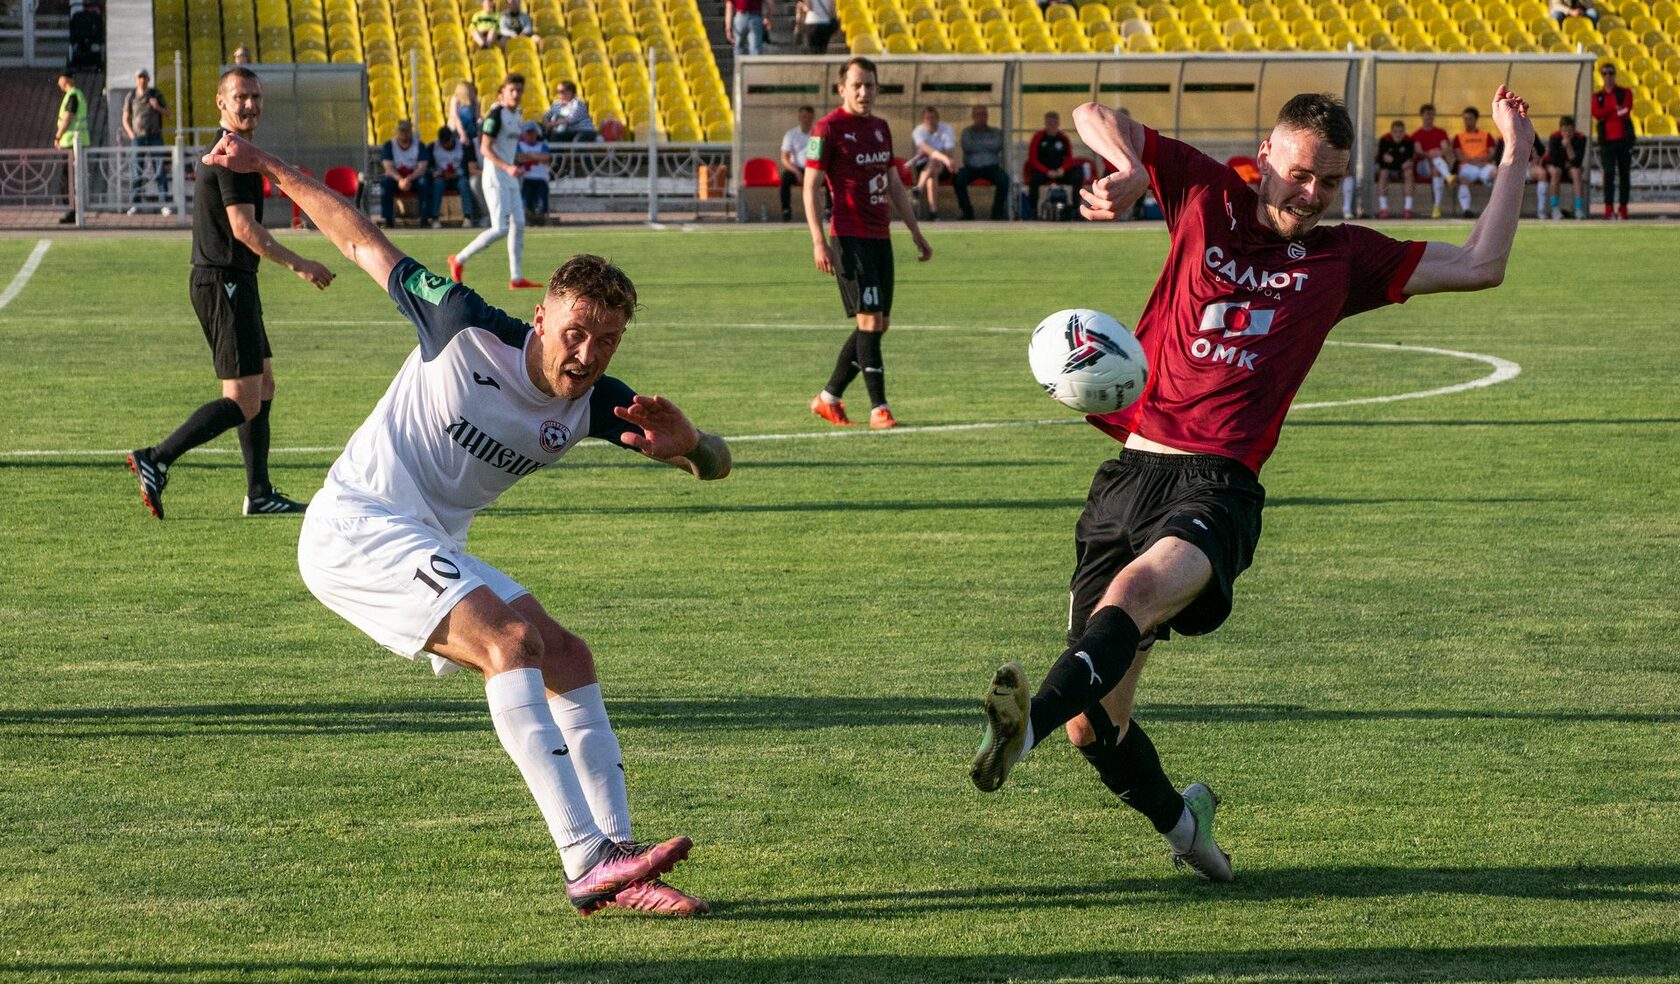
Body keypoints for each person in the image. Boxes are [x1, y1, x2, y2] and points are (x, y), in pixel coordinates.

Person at [969, 87, 1535, 885]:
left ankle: (1015, 738)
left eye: (1330, 183)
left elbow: (1483, 264)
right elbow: (1095, 110)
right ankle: (1188, 829)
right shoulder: (1206, 194)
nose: (1312, 195)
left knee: (1130, 598)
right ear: (1264, 155)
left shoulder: (1344, 258)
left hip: (1219, 488)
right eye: (1301, 174)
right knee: (1096, 732)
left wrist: (1515, 156)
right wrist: (1129, 167)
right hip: (1130, 471)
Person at [197, 130, 730, 917]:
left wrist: (692, 447)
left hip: (427, 542)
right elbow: (357, 239)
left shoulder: (594, 402)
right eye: (575, 331)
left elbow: (717, 463)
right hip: (355, 525)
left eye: (606, 339)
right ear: (542, 315)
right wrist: (267, 167)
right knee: (510, 645)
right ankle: (584, 859)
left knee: (568, 654)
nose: (585, 353)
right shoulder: (462, 323)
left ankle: (619, 859)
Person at [126, 67, 335, 520]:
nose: (250, 105)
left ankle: (259, 493)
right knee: (243, 398)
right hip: (224, 280)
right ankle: (156, 458)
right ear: (221, 103)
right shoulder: (231, 155)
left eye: (255, 97)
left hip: (232, 279)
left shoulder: (237, 151)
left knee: (263, 383)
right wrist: (301, 264)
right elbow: (244, 229)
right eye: (240, 97)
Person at [803, 56, 932, 431]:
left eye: (870, 85)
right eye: (856, 85)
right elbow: (810, 186)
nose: (864, 92)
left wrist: (915, 231)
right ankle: (880, 409)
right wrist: (817, 240)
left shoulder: (880, 127)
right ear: (842, 89)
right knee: (870, 321)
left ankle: (828, 398)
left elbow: (893, 182)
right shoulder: (826, 130)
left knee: (877, 324)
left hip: (880, 238)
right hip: (848, 237)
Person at [449, 73, 542, 289]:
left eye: (519, 90)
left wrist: (533, 158)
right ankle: (458, 259)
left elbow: (510, 152)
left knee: (518, 223)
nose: (517, 94)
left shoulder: (516, 114)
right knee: (500, 228)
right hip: (495, 177)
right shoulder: (495, 115)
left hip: (509, 176)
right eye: (512, 90)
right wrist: (508, 166)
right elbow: (485, 149)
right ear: (503, 92)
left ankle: (516, 278)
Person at [122, 68, 172, 215]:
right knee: (136, 170)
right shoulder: (131, 96)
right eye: (139, 78)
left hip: (155, 136)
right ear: (136, 80)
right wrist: (131, 134)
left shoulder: (155, 94)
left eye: (144, 77)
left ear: (148, 79)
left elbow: (168, 113)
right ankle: (135, 203)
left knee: (159, 168)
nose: (142, 80)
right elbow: (125, 118)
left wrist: (157, 107)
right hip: (138, 137)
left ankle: (164, 203)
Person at [1591, 63, 1635, 221]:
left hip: (1624, 140)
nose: (1608, 76)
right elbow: (1597, 113)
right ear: (1601, 76)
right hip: (1607, 141)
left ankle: (1623, 208)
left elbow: (1626, 111)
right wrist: (1614, 109)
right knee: (1608, 174)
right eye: (1605, 73)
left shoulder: (1625, 92)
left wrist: (1609, 112)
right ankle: (1608, 208)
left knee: (1625, 175)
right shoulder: (1598, 96)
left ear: (1615, 74)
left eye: (1611, 73)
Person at [954, 105, 1010, 221]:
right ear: (973, 116)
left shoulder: (995, 131)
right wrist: (987, 145)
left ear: (987, 116)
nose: (981, 117)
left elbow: (998, 145)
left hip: (991, 167)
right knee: (958, 179)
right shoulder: (967, 132)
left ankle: (997, 212)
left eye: (984, 114)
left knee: (1004, 179)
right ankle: (967, 212)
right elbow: (967, 146)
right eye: (978, 114)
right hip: (971, 168)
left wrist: (977, 144)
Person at [379, 118, 435, 228]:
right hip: (396, 177)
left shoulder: (419, 145)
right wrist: (400, 180)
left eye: (406, 131)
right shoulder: (389, 145)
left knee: (424, 182)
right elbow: (388, 168)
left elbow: (422, 168)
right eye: (401, 131)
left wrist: (408, 179)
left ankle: (425, 219)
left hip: (414, 177)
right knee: (385, 184)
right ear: (397, 132)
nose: (404, 134)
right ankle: (388, 220)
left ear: (411, 131)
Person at [1026, 111, 1082, 220]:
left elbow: (1069, 158)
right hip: (1044, 171)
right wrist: (1046, 171)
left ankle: (1076, 210)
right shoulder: (1038, 137)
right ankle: (1033, 212)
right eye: (1049, 122)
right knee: (1034, 178)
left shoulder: (1063, 138)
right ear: (1045, 123)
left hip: (1060, 171)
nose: (1052, 125)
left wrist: (1062, 169)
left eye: (1054, 122)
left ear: (1058, 123)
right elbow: (1032, 159)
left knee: (1077, 174)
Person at [54, 71, 90, 224]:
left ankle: (74, 211)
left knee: (67, 179)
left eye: (60, 78)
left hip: (72, 142)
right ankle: (75, 211)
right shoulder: (76, 95)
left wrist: (58, 136)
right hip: (77, 141)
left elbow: (68, 118)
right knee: (72, 178)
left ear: (67, 79)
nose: (58, 81)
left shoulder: (73, 95)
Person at [908, 106, 957, 220]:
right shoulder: (918, 131)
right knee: (933, 169)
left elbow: (949, 149)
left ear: (937, 118)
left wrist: (942, 160)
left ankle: (918, 188)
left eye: (933, 117)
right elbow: (925, 148)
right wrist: (942, 158)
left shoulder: (946, 128)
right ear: (923, 120)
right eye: (927, 118)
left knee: (934, 161)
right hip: (923, 166)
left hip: (944, 167)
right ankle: (933, 212)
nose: (930, 120)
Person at [1452, 106, 1497, 218]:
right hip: (1467, 165)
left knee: (1498, 173)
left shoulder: (1486, 135)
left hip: (1484, 164)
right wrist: (1471, 161)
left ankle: (1497, 208)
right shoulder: (1459, 137)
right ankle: (1466, 209)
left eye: (1470, 118)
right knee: (1463, 179)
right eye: (1465, 119)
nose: (1467, 121)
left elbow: (1492, 153)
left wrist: (1481, 160)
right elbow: (1458, 155)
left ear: (1476, 119)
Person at [1411, 103, 1452, 218]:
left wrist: (1437, 153)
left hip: (1436, 166)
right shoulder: (1416, 134)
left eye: (1432, 115)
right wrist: (1430, 154)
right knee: (1436, 160)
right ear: (1422, 116)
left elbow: (1444, 148)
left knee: (1436, 169)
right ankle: (1448, 176)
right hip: (1423, 165)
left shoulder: (1441, 132)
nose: (1429, 117)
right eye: (1427, 114)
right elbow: (1419, 152)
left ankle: (1436, 206)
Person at [429, 125, 476, 225]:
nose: (445, 145)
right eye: (443, 143)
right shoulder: (433, 147)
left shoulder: (462, 147)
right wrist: (438, 173)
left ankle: (467, 216)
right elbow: (429, 167)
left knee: (464, 184)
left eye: (447, 142)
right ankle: (435, 218)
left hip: (457, 177)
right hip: (441, 177)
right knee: (437, 185)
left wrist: (456, 173)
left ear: (452, 138)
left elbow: (466, 167)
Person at [1544, 115, 1587, 220]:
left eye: (1570, 131)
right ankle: (1555, 208)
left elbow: (1577, 162)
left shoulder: (1581, 138)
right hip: (1555, 165)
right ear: (1560, 130)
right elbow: (1554, 159)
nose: (1567, 134)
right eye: (1564, 131)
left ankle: (1578, 208)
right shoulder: (1554, 137)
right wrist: (1565, 161)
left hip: (1570, 166)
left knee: (1576, 172)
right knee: (1556, 172)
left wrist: (1568, 146)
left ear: (1574, 130)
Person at [778, 104, 815, 221]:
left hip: (814, 168)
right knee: (785, 179)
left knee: (830, 179)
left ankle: (828, 210)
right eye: (804, 117)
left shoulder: (818, 133)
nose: (806, 120)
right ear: (799, 117)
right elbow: (784, 158)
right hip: (796, 169)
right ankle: (786, 210)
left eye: (809, 117)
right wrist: (797, 172)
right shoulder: (791, 135)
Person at [1374, 118, 1415, 218]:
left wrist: (1393, 161)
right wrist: (1400, 163)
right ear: (1391, 132)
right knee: (1383, 173)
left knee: (1409, 173)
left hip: (1401, 171)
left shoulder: (1409, 141)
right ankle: (1383, 209)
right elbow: (1383, 160)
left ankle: (1408, 209)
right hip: (1388, 170)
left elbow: (1409, 162)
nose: (1398, 134)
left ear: (1404, 132)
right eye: (1395, 132)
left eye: (1401, 132)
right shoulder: (1385, 140)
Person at [517, 122, 552, 225]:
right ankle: (529, 217)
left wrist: (529, 155)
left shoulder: (543, 145)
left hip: (541, 178)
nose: (530, 136)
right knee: (526, 200)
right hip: (526, 178)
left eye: (533, 133)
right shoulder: (520, 146)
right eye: (528, 133)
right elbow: (519, 158)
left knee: (542, 200)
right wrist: (536, 156)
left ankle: (541, 216)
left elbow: (546, 157)